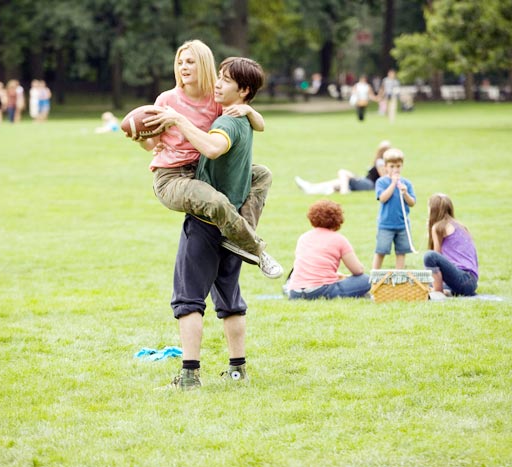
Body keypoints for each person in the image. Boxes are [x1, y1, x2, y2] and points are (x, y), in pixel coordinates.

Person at [129, 39, 282, 279]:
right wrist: (138, 137)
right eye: (180, 62)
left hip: (203, 170)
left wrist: (249, 110)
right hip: (172, 177)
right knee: (217, 202)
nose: (183, 67)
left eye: (190, 62)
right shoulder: (166, 101)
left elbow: (260, 127)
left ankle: (241, 237)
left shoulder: (216, 99)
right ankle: (257, 250)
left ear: (203, 65)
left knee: (261, 174)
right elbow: (152, 145)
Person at [161, 56, 267, 390]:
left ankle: (189, 375)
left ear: (243, 90)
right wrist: (250, 110)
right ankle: (238, 369)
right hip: (232, 226)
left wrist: (178, 119)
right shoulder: (241, 117)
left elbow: (212, 146)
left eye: (225, 80)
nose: (217, 84)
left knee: (188, 299)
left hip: (207, 220)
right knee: (230, 299)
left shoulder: (228, 123)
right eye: (218, 77)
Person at [285, 200, 370, 300]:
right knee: (366, 280)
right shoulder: (339, 239)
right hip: (321, 290)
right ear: (338, 219)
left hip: (295, 292)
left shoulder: (303, 237)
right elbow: (357, 270)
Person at [423, 194, 478, 297]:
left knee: (429, 256)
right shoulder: (460, 225)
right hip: (471, 282)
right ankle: (449, 291)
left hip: (463, 279)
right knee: (427, 280)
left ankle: (438, 293)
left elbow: (436, 256)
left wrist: (430, 232)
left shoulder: (438, 227)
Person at [372, 148, 416, 270]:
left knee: (401, 252)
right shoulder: (381, 182)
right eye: (391, 166)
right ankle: (374, 276)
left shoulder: (407, 183)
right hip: (386, 225)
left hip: (402, 224)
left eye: (398, 166)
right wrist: (393, 184)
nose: (395, 169)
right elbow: (382, 198)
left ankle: (399, 276)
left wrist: (405, 193)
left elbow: (412, 203)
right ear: (385, 167)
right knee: (381, 251)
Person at [294, 140, 390, 195]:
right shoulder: (381, 161)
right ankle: (311, 187)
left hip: (370, 184)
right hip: (367, 182)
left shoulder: (380, 162)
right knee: (337, 182)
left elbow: (384, 177)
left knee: (343, 173)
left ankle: (344, 191)